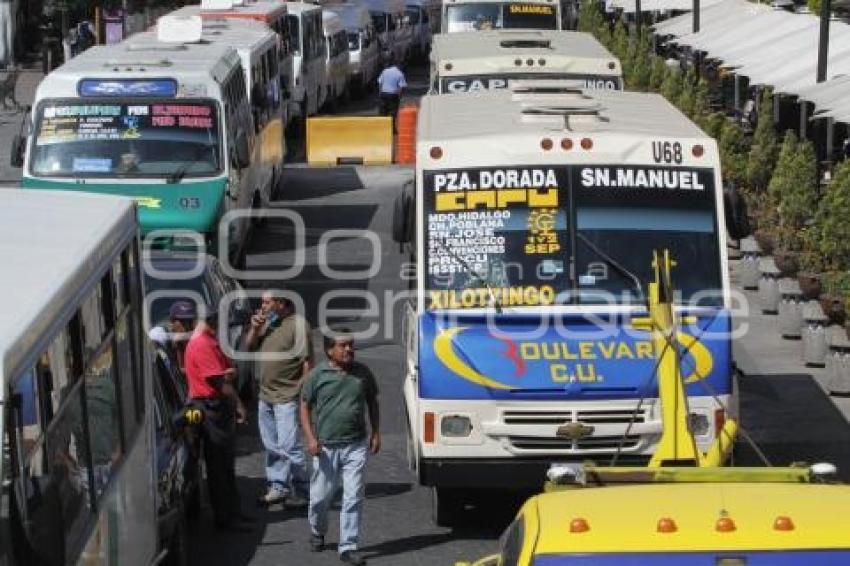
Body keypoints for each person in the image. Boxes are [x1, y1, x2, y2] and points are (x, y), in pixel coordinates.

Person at [300, 329, 380, 566]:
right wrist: (311, 438)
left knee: (353, 495)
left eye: (351, 345)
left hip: (356, 445)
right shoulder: (317, 376)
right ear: (329, 350)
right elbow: (304, 406)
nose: (349, 350)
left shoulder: (362, 373)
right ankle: (317, 530)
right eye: (343, 346)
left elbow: (372, 402)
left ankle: (348, 546)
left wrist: (376, 432)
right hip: (326, 448)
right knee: (320, 498)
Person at [243, 290, 313, 507]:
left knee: (289, 445)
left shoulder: (298, 325)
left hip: (286, 396)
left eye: (267, 302)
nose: (262, 306)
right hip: (266, 396)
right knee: (272, 445)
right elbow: (249, 346)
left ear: (281, 303)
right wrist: (255, 328)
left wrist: (301, 392)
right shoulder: (268, 323)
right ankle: (278, 486)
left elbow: (307, 363)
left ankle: (303, 490)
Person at [184, 307, 251, 532]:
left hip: (215, 407)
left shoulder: (207, 340)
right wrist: (239, 404)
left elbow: (222, 372)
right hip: (211, 408)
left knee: (225, 464)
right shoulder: (201, 344)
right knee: (219, 465)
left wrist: (227, 372)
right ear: (212, 321)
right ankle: (226, 517)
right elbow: (217, 382)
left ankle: (233, 511)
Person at [149, 300, 197, 375]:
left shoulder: (194, 338)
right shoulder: (159, 333)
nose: (186, 326)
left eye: (189, 321)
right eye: (182, 321)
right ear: (172, 321)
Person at [376, 56, 406, 128]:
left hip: (383, 94)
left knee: (383, 111)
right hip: (393, 95)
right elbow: (402, 87)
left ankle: (382, 127)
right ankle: (391, 128)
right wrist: (399, 96)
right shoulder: (400, 74)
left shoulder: (385, 71)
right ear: (399, 65)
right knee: (392, 112)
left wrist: (380, 92)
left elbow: (380, 82)